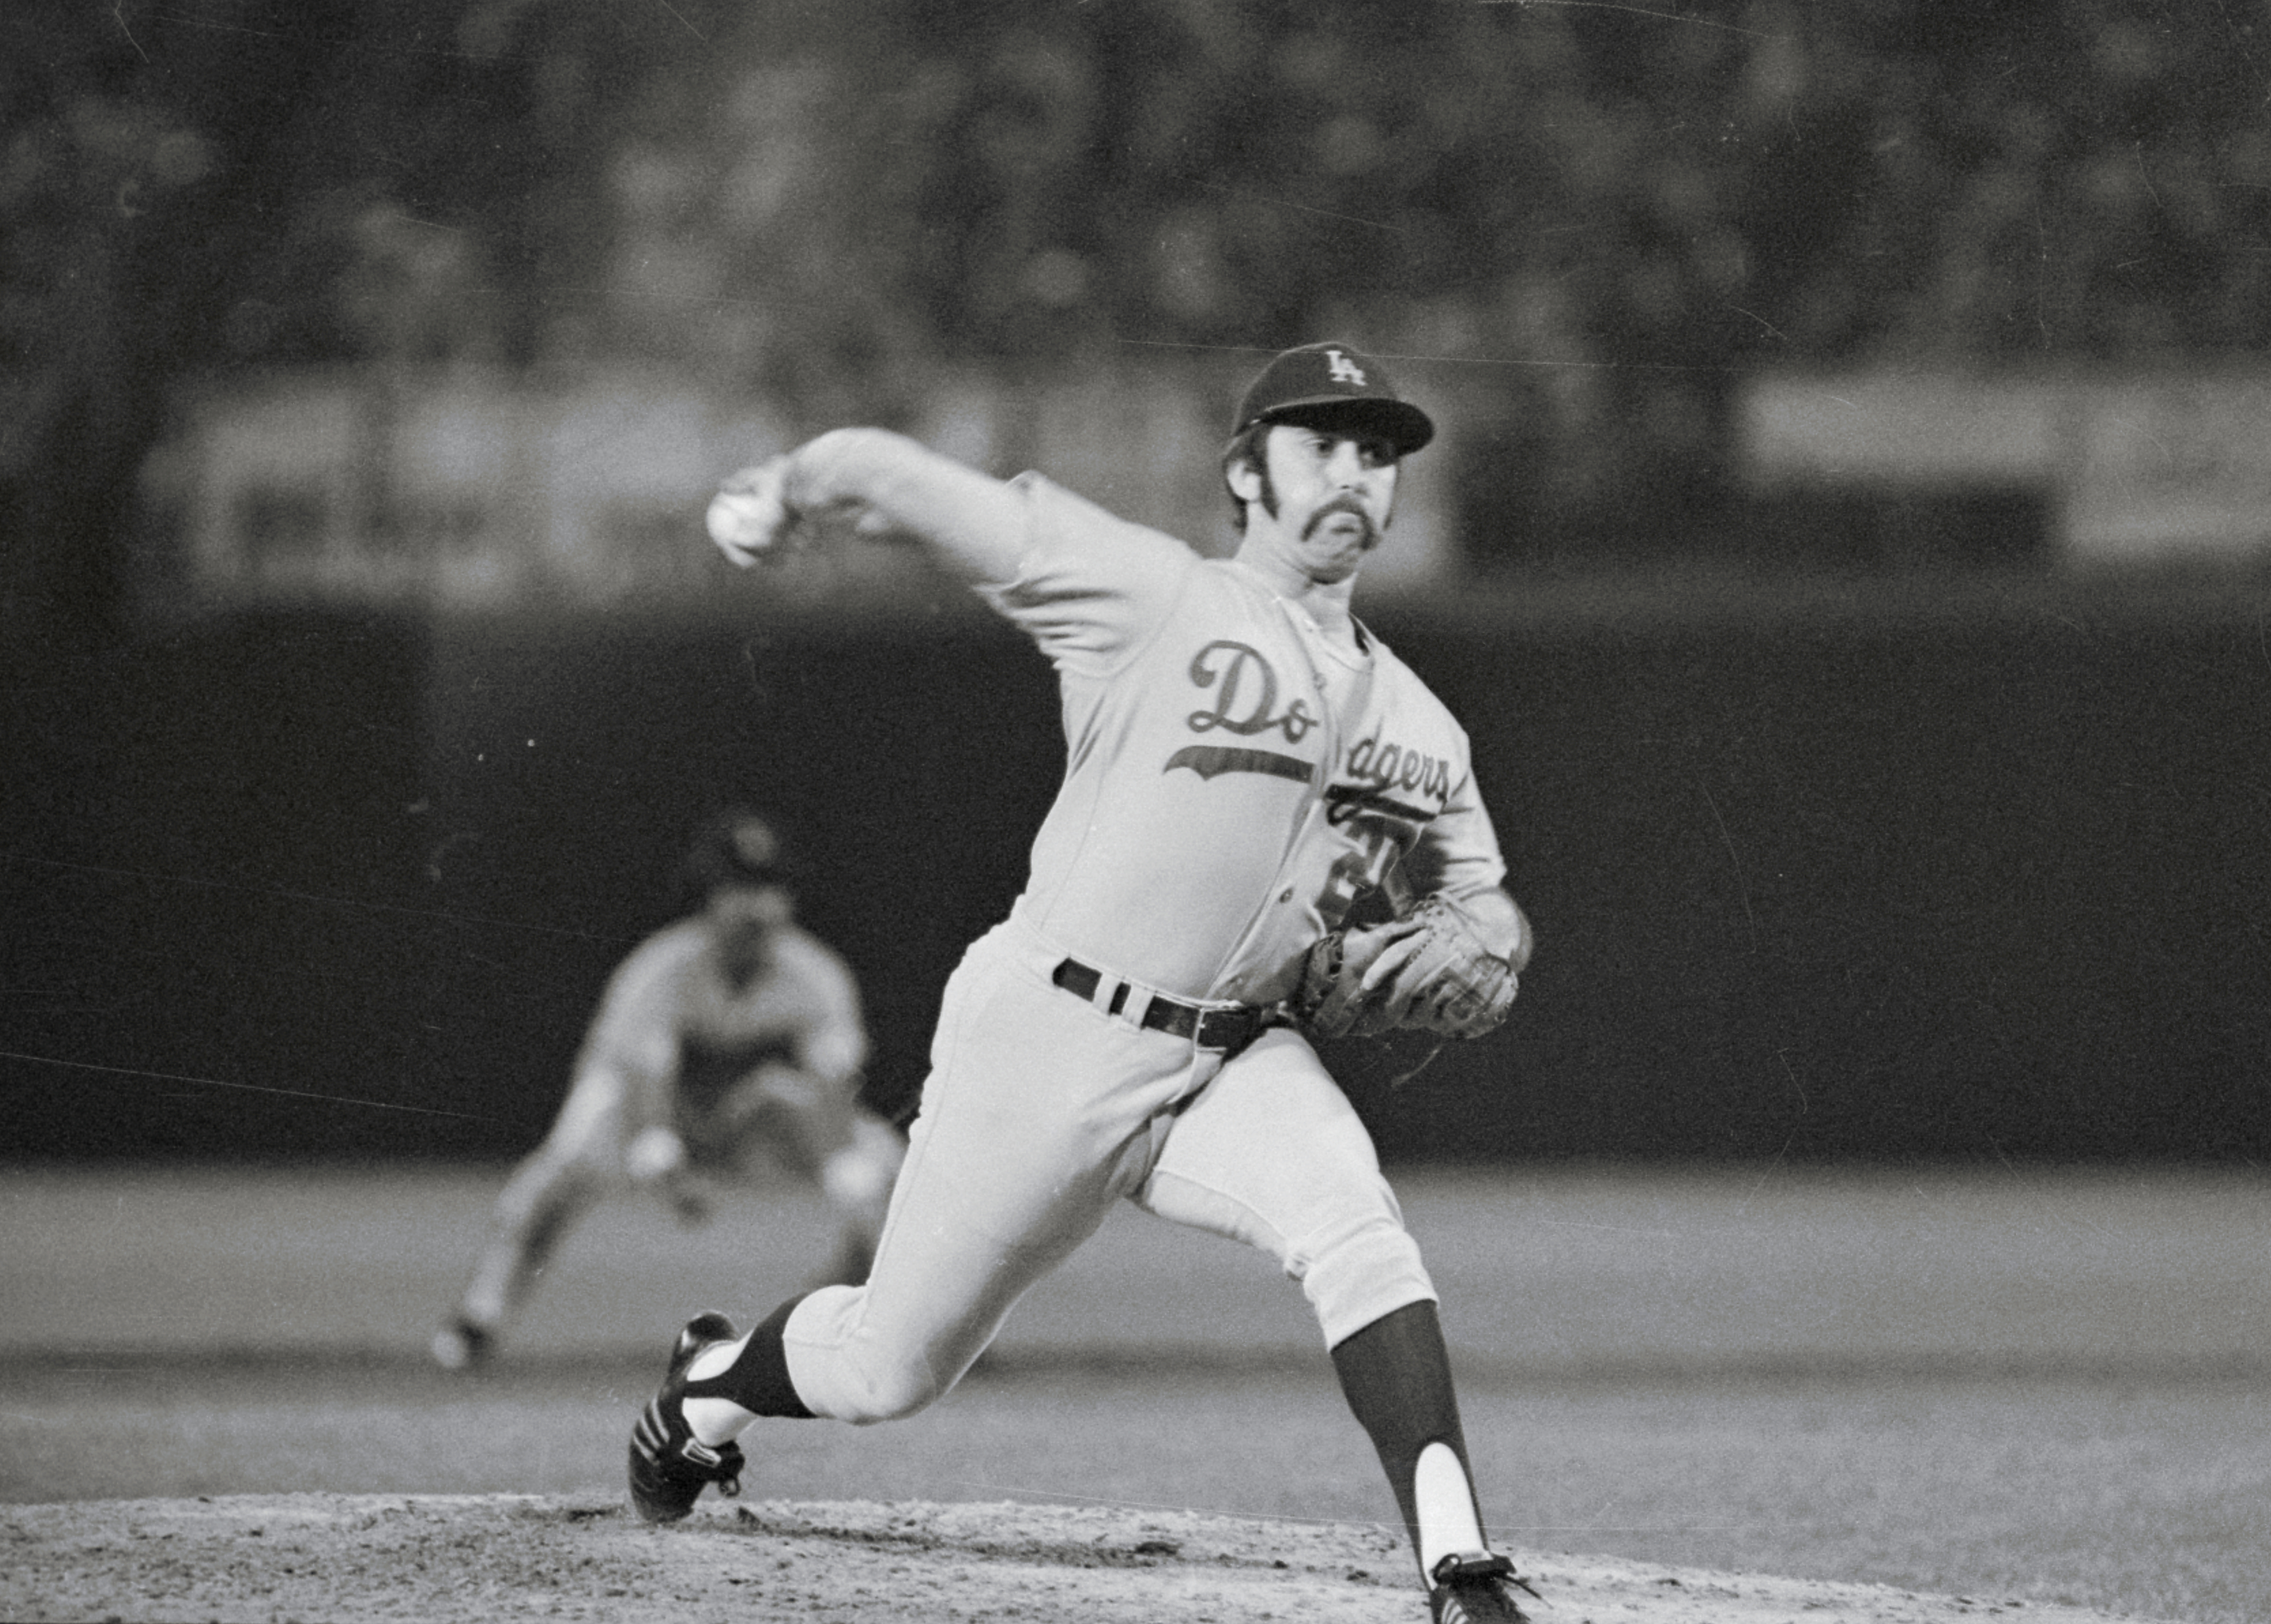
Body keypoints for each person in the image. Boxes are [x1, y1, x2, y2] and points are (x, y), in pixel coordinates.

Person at [630, 342, 1538, 1623]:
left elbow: (1484, 893)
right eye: (1318, 444)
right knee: (891, 1369)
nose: (1352, 474)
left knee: (1352, 1219)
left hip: (1234, 1056)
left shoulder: (1423, 726)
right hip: (1051, 1033)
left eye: (1376, 453)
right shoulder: (1152, 599)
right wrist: (794, 481)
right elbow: (929, 493)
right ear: (1243, 470)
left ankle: (1460, 1567)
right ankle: (709, 1385)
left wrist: (1487, 941)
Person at [431, 807, 901, 1371]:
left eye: (772, 888)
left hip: (752, 1117)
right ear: (711, 897)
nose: (759, 906)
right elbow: (642, 1078)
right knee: (558, 1171)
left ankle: (866, 1321)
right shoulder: (661, 967)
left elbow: (832, 1083)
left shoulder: (815, 974)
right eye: (741, 888)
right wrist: (663, 1162)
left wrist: (842, 1163)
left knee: (889, 1174)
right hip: (651, 1113)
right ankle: (481, 1317)